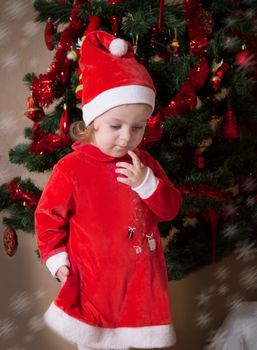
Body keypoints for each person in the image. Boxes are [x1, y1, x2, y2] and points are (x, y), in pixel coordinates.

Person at [35, 30, 183, 350]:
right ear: (93, 122)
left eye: (138, 127)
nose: (127, 137)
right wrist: (58, 262)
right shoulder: (71, 169)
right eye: (116, 125)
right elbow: (48, 218)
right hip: (93, 288)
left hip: (140, 286)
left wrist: (147, 184)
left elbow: (170, 208)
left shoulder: (145, 165)